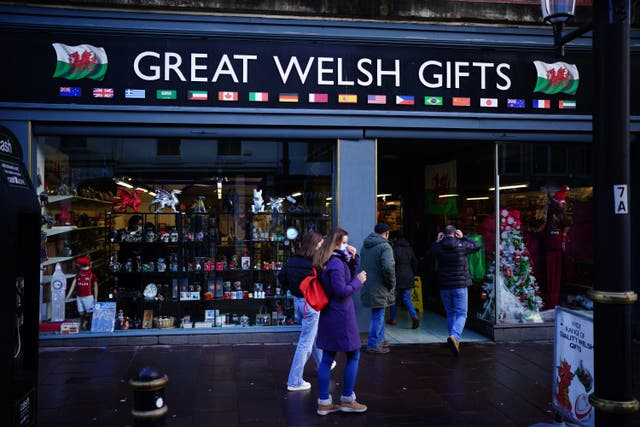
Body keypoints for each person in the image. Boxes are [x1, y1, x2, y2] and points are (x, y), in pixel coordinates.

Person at [314, 227, 368, 415]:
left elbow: (345, 277)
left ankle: (324, 402)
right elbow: (342, 290)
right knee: (353, 355)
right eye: (345, 242)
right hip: (341, 316)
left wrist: (354, 259)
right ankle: (347, 399)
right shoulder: (336, 263)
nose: (347, 245)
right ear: (336, 243)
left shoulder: (328, 260)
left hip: (330, 314)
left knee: (327, 358)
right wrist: (359, 281)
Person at [277, 231, 336, 392]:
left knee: (313, 335)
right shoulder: (315, 263)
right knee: (305, 343)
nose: (321, 247)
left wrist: (294, 287)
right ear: (314, 245)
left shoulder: (292, 260)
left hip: (298, 303)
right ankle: (294, 381)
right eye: (320, 244)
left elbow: (281, 278)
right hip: (311, 304)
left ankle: (324, 364)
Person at [425, 225, 481, 356]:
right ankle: (455, 337)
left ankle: (453, 339)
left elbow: (428, 255)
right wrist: (464, 237)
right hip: (460, 286)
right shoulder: (462, 245)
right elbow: (477, 246)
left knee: (451, 314)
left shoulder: (439, 247)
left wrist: (437, 241)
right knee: (462, 314)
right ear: (455, 233)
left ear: (443, 234)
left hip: (445, 286)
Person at [360, 223, 396, 354]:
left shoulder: (366, 245)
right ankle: (373, 344)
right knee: (378, 316)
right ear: (387, 233)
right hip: (380, 286)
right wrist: (391, 283)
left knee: (378, 314)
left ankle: (380, 340)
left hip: (369, 285)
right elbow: (388, 268)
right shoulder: (385, 247)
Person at [387, 230, 420, 329]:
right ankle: (414, 316)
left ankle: (393, 319)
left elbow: (391, 264)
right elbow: (415, 262)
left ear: (395, 238)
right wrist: (412, 273)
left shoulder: (394, 249)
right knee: (406, 298)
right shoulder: (409, 248)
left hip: (397, 276)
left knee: (393, 299)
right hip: (408, 275)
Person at [66, 256, 99, 330]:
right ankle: (82, 325)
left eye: (78, 264)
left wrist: (96, 298)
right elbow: (73, 286)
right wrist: (68, 296)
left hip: (88, 297)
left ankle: (90, 326)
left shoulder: (92, 276)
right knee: (81, 313)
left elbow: (95, 287)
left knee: (89, 313)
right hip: (79, 297)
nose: (77, 265)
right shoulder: (78, 275)